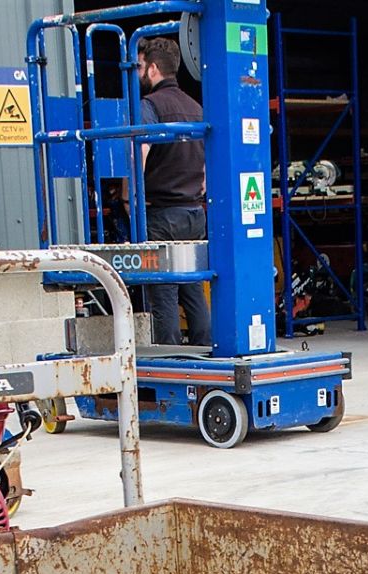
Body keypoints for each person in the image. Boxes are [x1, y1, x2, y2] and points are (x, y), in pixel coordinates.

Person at [135, 36, 211, 347]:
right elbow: (207, 166)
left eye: (140, 67)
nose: (138, 73)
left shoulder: (149, 106)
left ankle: (171, 362)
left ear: (153, 69)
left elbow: (141, 151)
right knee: (192, 287)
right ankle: (206, 349)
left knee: (163, 291)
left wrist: (131, 196)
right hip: (194, 213)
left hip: (162, 214)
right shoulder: (196, 108)